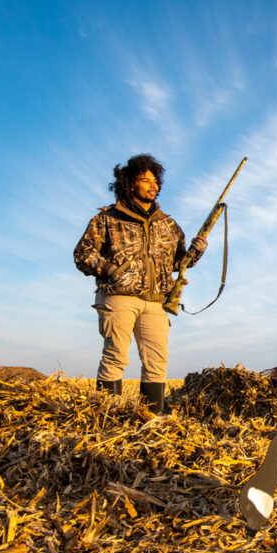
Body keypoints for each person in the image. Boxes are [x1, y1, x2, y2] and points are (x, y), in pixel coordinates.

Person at [73, 153, 206, 413]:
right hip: (119, 297)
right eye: (146, 180)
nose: (153, 185)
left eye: (156, 181)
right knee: (115, 357)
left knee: (157, 362)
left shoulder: (169, 225)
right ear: (129, 183)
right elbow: (83, 254)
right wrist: (112, 271)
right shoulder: (107, 219)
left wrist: (197, 251)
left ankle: (151, 421)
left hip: (156, 302)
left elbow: (179, 263)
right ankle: (107, 419)